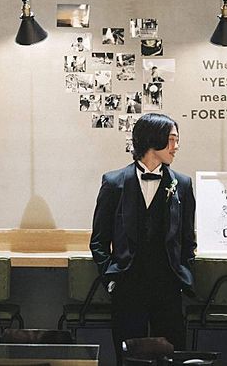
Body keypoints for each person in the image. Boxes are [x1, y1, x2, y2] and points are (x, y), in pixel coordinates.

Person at [90, 113, 196, 362]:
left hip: (168, 286)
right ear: (152, 139)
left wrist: (183, 276)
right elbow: (99, 240)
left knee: (171, 356)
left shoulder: (182, 184)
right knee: (128, 357)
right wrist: (111, 279)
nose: (176, 146)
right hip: (127, 286)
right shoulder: (114, 183)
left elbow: (187, 239)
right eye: (171, 139)